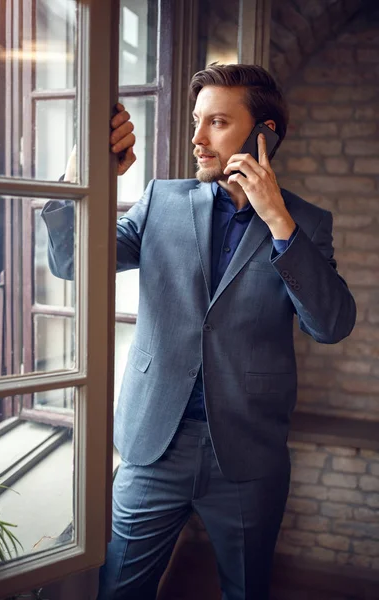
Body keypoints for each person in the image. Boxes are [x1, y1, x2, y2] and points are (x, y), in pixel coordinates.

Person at [42, 65, 356, 600]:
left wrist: (280, 222)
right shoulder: (161, 200)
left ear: (265, 134)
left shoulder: (305, 222)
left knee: (246, 590)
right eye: (196, 121)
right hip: (153, 445)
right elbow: (71, 260)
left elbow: (330, 325)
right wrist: (84, 170)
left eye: (215, 122)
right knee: (120, 590)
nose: (197, 139)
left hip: (248, 456)